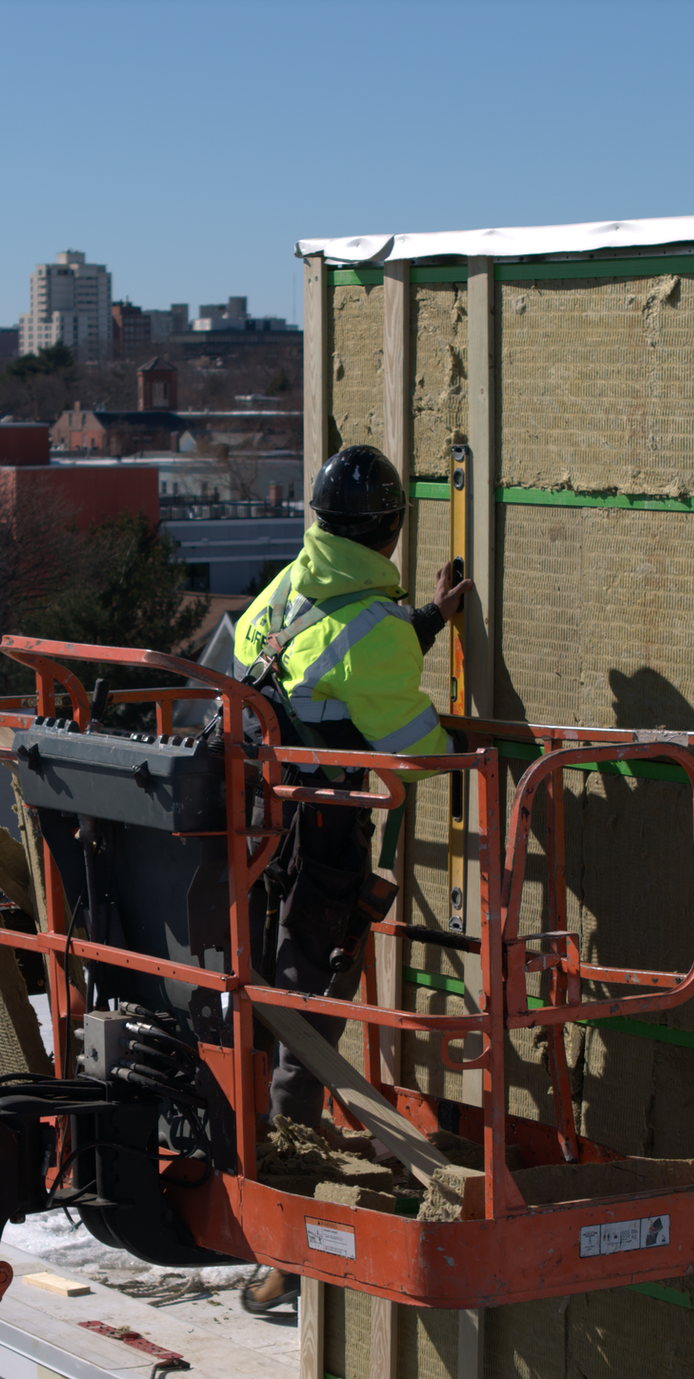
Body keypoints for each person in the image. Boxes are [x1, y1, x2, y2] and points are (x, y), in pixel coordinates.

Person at [234, 444, 471, 1312]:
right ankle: (287, 1222)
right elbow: (419, 753)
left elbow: (329, 657)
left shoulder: (281, 593)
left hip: (261, 827)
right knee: (310, 1005)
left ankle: (261, 1172)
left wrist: (428, 622)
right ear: (394, 530)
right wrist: (473, 751)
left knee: (262, 995)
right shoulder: (372, 630)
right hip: (323, 836)